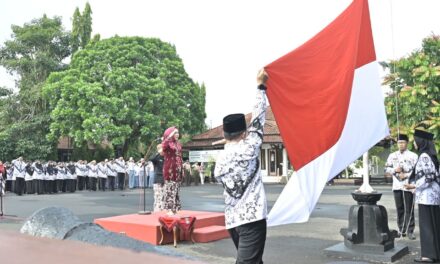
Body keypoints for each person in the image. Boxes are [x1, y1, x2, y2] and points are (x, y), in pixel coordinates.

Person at [214, 69, 268, 264]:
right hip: (252, 218)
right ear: (243, 133)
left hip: (233, 219)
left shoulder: (220, 160)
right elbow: (258, 119)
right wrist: (261, 86)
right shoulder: (249, 148)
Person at [405, 129, 440, 263]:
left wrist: (414, 186)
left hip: (427, 196)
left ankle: (428, 255)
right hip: (434, 196)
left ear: (420, 141)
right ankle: (434, 253)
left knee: (426, 226)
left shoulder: (424, 156)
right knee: (434, 224)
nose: (414, 143)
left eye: (414, 140)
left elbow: (429, 177)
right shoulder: (432, 155)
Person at [384, 134, 418, 239]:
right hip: (397, 186)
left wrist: (406, 175)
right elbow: (386, 169)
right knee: (399, 208)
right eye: (399, 142)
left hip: (408, 186)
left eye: (403, 142)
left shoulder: (413, 156)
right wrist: (395, 170)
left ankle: (410, 231)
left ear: (407, 143)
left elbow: (417, 171)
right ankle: (401, 230)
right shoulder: (392, 155)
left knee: (409, 209)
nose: (401, 144)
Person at [162, 126, 183, 214]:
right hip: (170, 169)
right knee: (170, 189)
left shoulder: (178, 144)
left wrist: (182, 169)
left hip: (178, 169)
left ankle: (176, 208)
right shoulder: (167, 143)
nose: (177, 134)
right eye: (175, 133)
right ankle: (169, 208)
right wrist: (168, 137)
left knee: (176, 189)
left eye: (178, 133)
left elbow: (180, 156)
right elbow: (163, 147)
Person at [150, 144, 165, 212]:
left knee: (164, 196)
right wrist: (158, 152)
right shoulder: (157, 157)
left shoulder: (166, 157)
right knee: (158, 196)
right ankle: (157, 210)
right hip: (158, 178)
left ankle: (163, 210)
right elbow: (152, 159)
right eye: (162, 149)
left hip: (165, 178)